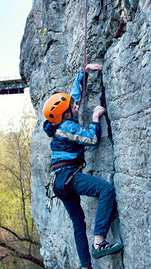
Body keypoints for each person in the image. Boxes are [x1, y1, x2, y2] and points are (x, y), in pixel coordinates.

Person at [42, 64, 123, 269]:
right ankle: (99, 243)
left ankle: (85, 266)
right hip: (68, 177)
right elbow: (92, 139)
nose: (76, 105)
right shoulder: (67, 128)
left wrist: (84, 73)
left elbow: (74, 96)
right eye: (73, 106)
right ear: (67, 114)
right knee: (105, 189)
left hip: (58, 182)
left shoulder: (62, 119)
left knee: (78, 223)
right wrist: (95, 118)